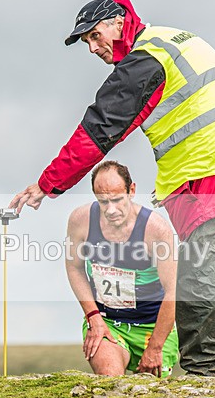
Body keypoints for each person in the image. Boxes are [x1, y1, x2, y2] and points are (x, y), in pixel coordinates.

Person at [10, 0, 215, 380]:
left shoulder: (144, 60)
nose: (94, 48)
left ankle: (203, 375)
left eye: (96, 36)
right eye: (86, 43)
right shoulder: (175, 39)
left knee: (198, 271)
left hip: (210, 167)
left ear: (119, 23)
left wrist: (48, 184)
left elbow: (100, 128)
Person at [66, 161, 179, 378]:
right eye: (103, 201)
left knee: (150, 397)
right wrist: (93, 317)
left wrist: (155, 348)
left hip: (151, 326)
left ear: (132, 190)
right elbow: (75, 268)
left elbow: (174, 291)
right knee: (110, 381)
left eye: (117, 200)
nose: (111, 210)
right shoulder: (81, 221)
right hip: (107, 321)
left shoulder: (155, 229)